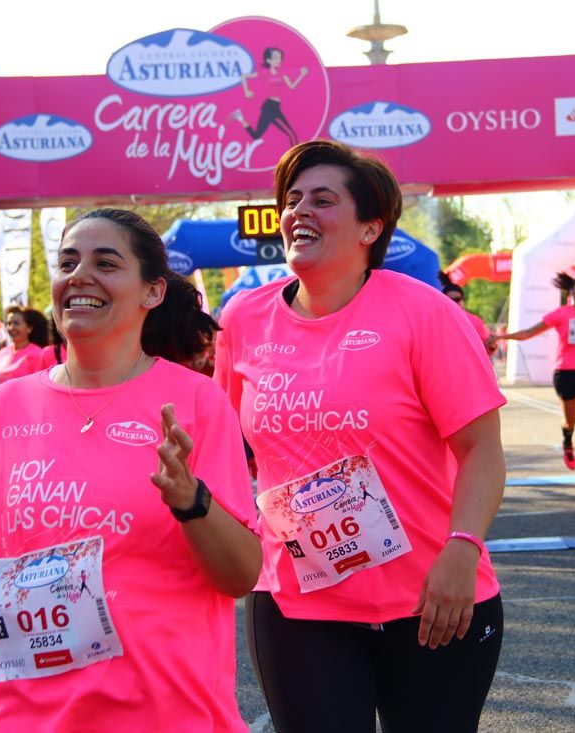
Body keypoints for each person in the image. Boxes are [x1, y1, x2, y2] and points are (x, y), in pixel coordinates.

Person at [0, 208, 261, 732]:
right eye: (67, 262)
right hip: (22, 716)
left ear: (151, 292)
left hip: (165, 713)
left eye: (106, 263)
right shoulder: (7, 406)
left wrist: (192, 502)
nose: (79, 275)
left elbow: (240, 576)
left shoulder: (196, 402)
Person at [216, 140, 506, 732]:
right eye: (291, 199)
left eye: (323, 200)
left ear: (371, 227)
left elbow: (481, 450)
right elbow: (224, 447)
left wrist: (462, 548)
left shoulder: (424, 313)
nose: (299, 211)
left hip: (433, 600)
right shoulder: (244, 319)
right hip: (297, 602)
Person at [489, 272, 575, 491]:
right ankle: (567, 440)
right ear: (571, 291)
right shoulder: (561, 314)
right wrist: (501, 337)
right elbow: (529, 333)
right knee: (570, 421)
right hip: (566, 372)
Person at [230, 47, 307, 147]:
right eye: (275, 58)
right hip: (270, 107)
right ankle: (296, 161)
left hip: (274, 107)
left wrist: (302, 74)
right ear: (268, 60)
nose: (279, 60)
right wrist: (247, 91)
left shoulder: (282, 74)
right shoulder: (264, 73)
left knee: (256, 135)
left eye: (280, 58)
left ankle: (240, 117)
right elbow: (244, 76)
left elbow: (292, 86)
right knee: (291, 134)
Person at [443, 281, 497, 357]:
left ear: (462, 300)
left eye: (457, 299)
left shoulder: (475, 322)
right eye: (450, 299)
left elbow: (486, 350)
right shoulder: (437, 322)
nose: (454, 302)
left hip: (467, 366)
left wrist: (492, 346)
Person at [0, 305, 48, 382]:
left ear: (29, 328)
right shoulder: (2, 353)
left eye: (16, 323)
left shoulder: (38, 354)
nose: (11, 327)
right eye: (9, 323)